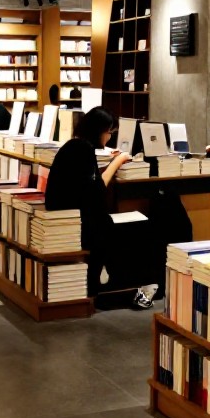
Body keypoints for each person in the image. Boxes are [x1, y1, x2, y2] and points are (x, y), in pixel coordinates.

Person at [46, 106, 159, 306]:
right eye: (109, 132)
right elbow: (97, 190)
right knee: (133, 228)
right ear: (99, 131)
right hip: (78, 220)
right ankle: (125, 287)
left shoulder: (73, 146)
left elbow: (87, 182)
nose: (109, 138)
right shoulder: (85, 150)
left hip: (65, 212)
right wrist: (118, 161)